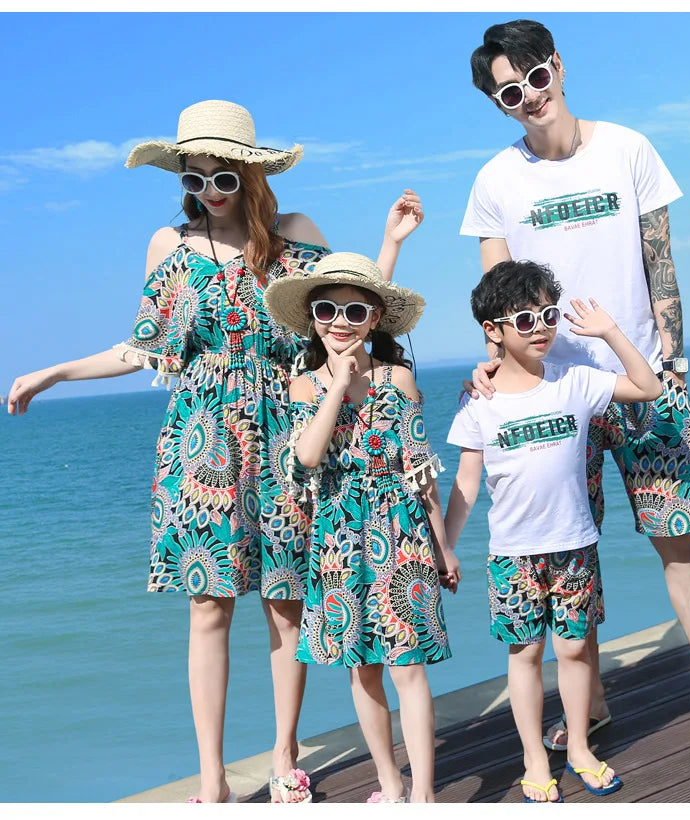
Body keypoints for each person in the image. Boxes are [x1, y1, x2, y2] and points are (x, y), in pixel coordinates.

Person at [7, 99, 427, 803]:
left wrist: (390, 247)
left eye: (220, 179)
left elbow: (351, 312)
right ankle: (212, 776)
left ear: (250, 177)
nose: (206, 194)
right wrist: (54, 372)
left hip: (289, 433)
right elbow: (141, 347)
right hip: (202, 441)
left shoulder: (296, 236)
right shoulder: (167, 247)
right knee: (208, 607)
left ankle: (282, 754)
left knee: (286, 602)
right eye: (192, 181)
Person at [459, 19, 690, 746]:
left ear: (557, 68)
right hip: (554, 392)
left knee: (674, 537)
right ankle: (587, 704)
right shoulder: (497, 180)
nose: (527, 96)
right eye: (507, 93)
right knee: (566, 551)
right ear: (497, 104)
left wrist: (674, 364)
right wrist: (491, 364)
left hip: (642, 377)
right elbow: (496, 293)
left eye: (534, 77)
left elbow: (661, 264)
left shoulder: (628, 148)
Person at [444, 260, 662, 801]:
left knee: (573, 650)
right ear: (493, 330)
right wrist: (444, 545)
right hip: (513, 552)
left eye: (547, 314)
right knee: (525, 654)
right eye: (524, 318)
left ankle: (581, 746)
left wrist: (610, 330)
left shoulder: (575, 382)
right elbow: (466, 485)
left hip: (574, 544)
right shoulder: (480, 403)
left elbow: (648, 385)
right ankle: (534, 757)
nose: (540, 327)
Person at [264, 252, 460, 803]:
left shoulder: (398, 376)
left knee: (407, 668)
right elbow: (306, 456)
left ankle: (422, 795)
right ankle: (389, 788)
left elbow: (422, 471)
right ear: (311, 317)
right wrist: (337, 383)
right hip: (337, 541)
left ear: (375, 318)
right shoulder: (303, 386)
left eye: (355, 310)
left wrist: (443, 547)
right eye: (327, 309)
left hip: (400, 534)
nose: (340, 321)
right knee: (363, 671)